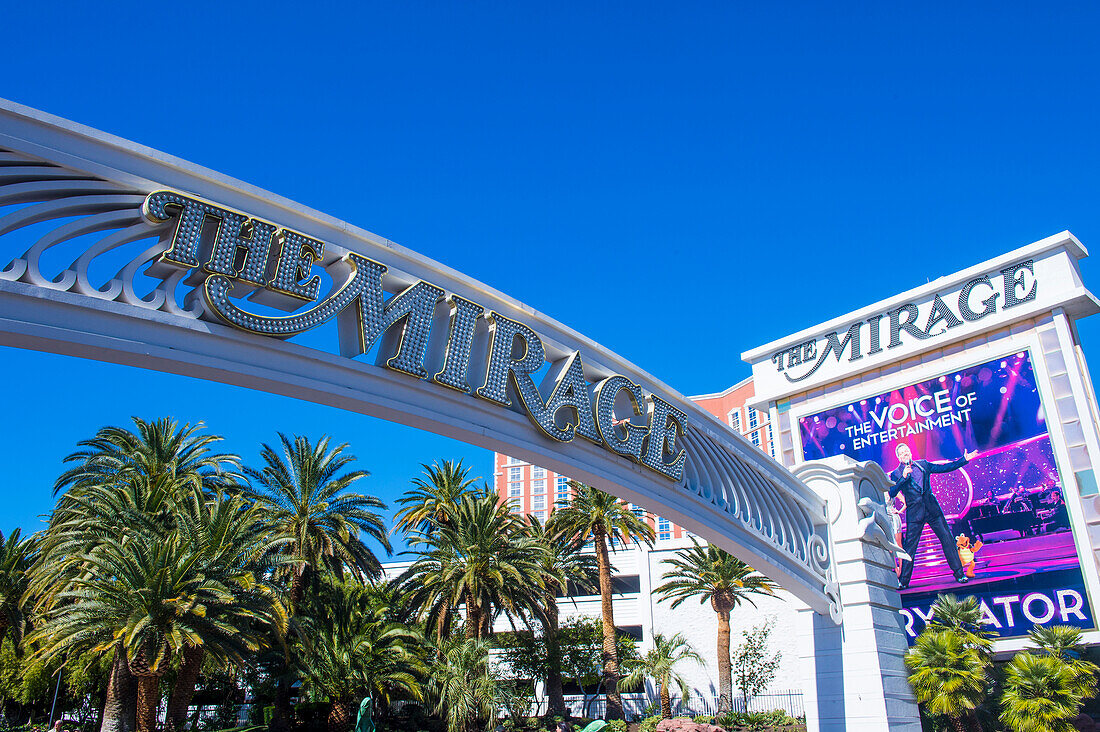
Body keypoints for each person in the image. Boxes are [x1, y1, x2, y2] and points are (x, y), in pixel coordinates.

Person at [888, 442, 978, 589]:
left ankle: (959, 574)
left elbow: (943, 468)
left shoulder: (923, 464)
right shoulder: (896, 474)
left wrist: (964, 460)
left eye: (907, 451)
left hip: (932, 510)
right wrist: (903, 477)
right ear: (899, 457)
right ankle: (903, 581)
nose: (906, 454)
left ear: (910, 453)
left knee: (947, 539)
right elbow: (892, 492)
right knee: (910, 547)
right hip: (915, 514)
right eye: (902, 453)